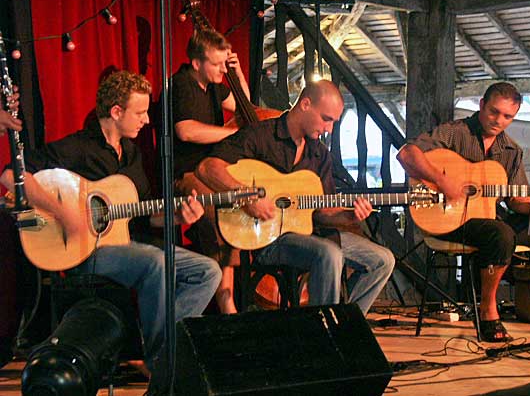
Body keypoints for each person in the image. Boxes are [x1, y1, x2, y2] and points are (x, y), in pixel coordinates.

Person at [0, 71, 221, 394]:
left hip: (127, 244)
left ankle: (165, 354)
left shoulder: (131, 154)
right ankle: (163, 364)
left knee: (207, 271)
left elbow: (146, 216)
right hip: (81, 250)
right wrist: (64, 212)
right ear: (116, 112)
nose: (147, 120)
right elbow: (11, 176)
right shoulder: (77, 147)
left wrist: (179, 216)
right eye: (140, 112)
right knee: (154, 263)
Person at [396, 82, 530, 342]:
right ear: (482, 105)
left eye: (508, 116)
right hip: (452, 220)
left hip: (493, 221)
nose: (499, 120)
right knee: (501, 233)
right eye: (494, 112)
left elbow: (517, 202)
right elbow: (407, 154)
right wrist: (441, 181)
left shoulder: (511, 151)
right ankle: (488, 311)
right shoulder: (454, 133)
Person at [195, 79, 395, 315]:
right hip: (268, 237)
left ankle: (343, 324)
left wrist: (348, 213)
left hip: (313, 233)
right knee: (328, 254)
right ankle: (321, 334)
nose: (329, 129)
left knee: (383, 260)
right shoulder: (261, 135)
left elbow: (322, 213)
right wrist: (247, 197)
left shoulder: (319, 154)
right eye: (326, 119)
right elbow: (207, 168)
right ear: (305, 104)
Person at [171, 28, 248, 314]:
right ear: (196, 63)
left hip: (212, 170)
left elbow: (243, 106)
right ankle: (224, 303)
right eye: (217, 64)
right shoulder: (181, 83)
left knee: (240, 206)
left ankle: (226, 294)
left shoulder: (215, 85)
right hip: (187, 173)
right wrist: (228, 134)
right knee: (221, 214)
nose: (221, 70)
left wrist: (237, 75)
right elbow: (185, 131)